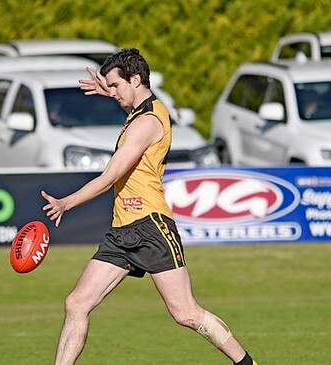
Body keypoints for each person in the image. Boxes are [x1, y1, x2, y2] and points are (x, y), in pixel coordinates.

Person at [40, 49, 258, 365]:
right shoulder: (142, 111)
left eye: (116, 85)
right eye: (109, 87)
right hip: (122, 230)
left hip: (150, 226)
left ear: (136, 79)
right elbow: (132, 106)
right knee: (76, 302)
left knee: (186, 313)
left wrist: (67, 202)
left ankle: (246, 363)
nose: (112, 92)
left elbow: (111, 174)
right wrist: (110, 92)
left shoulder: (148, 122)